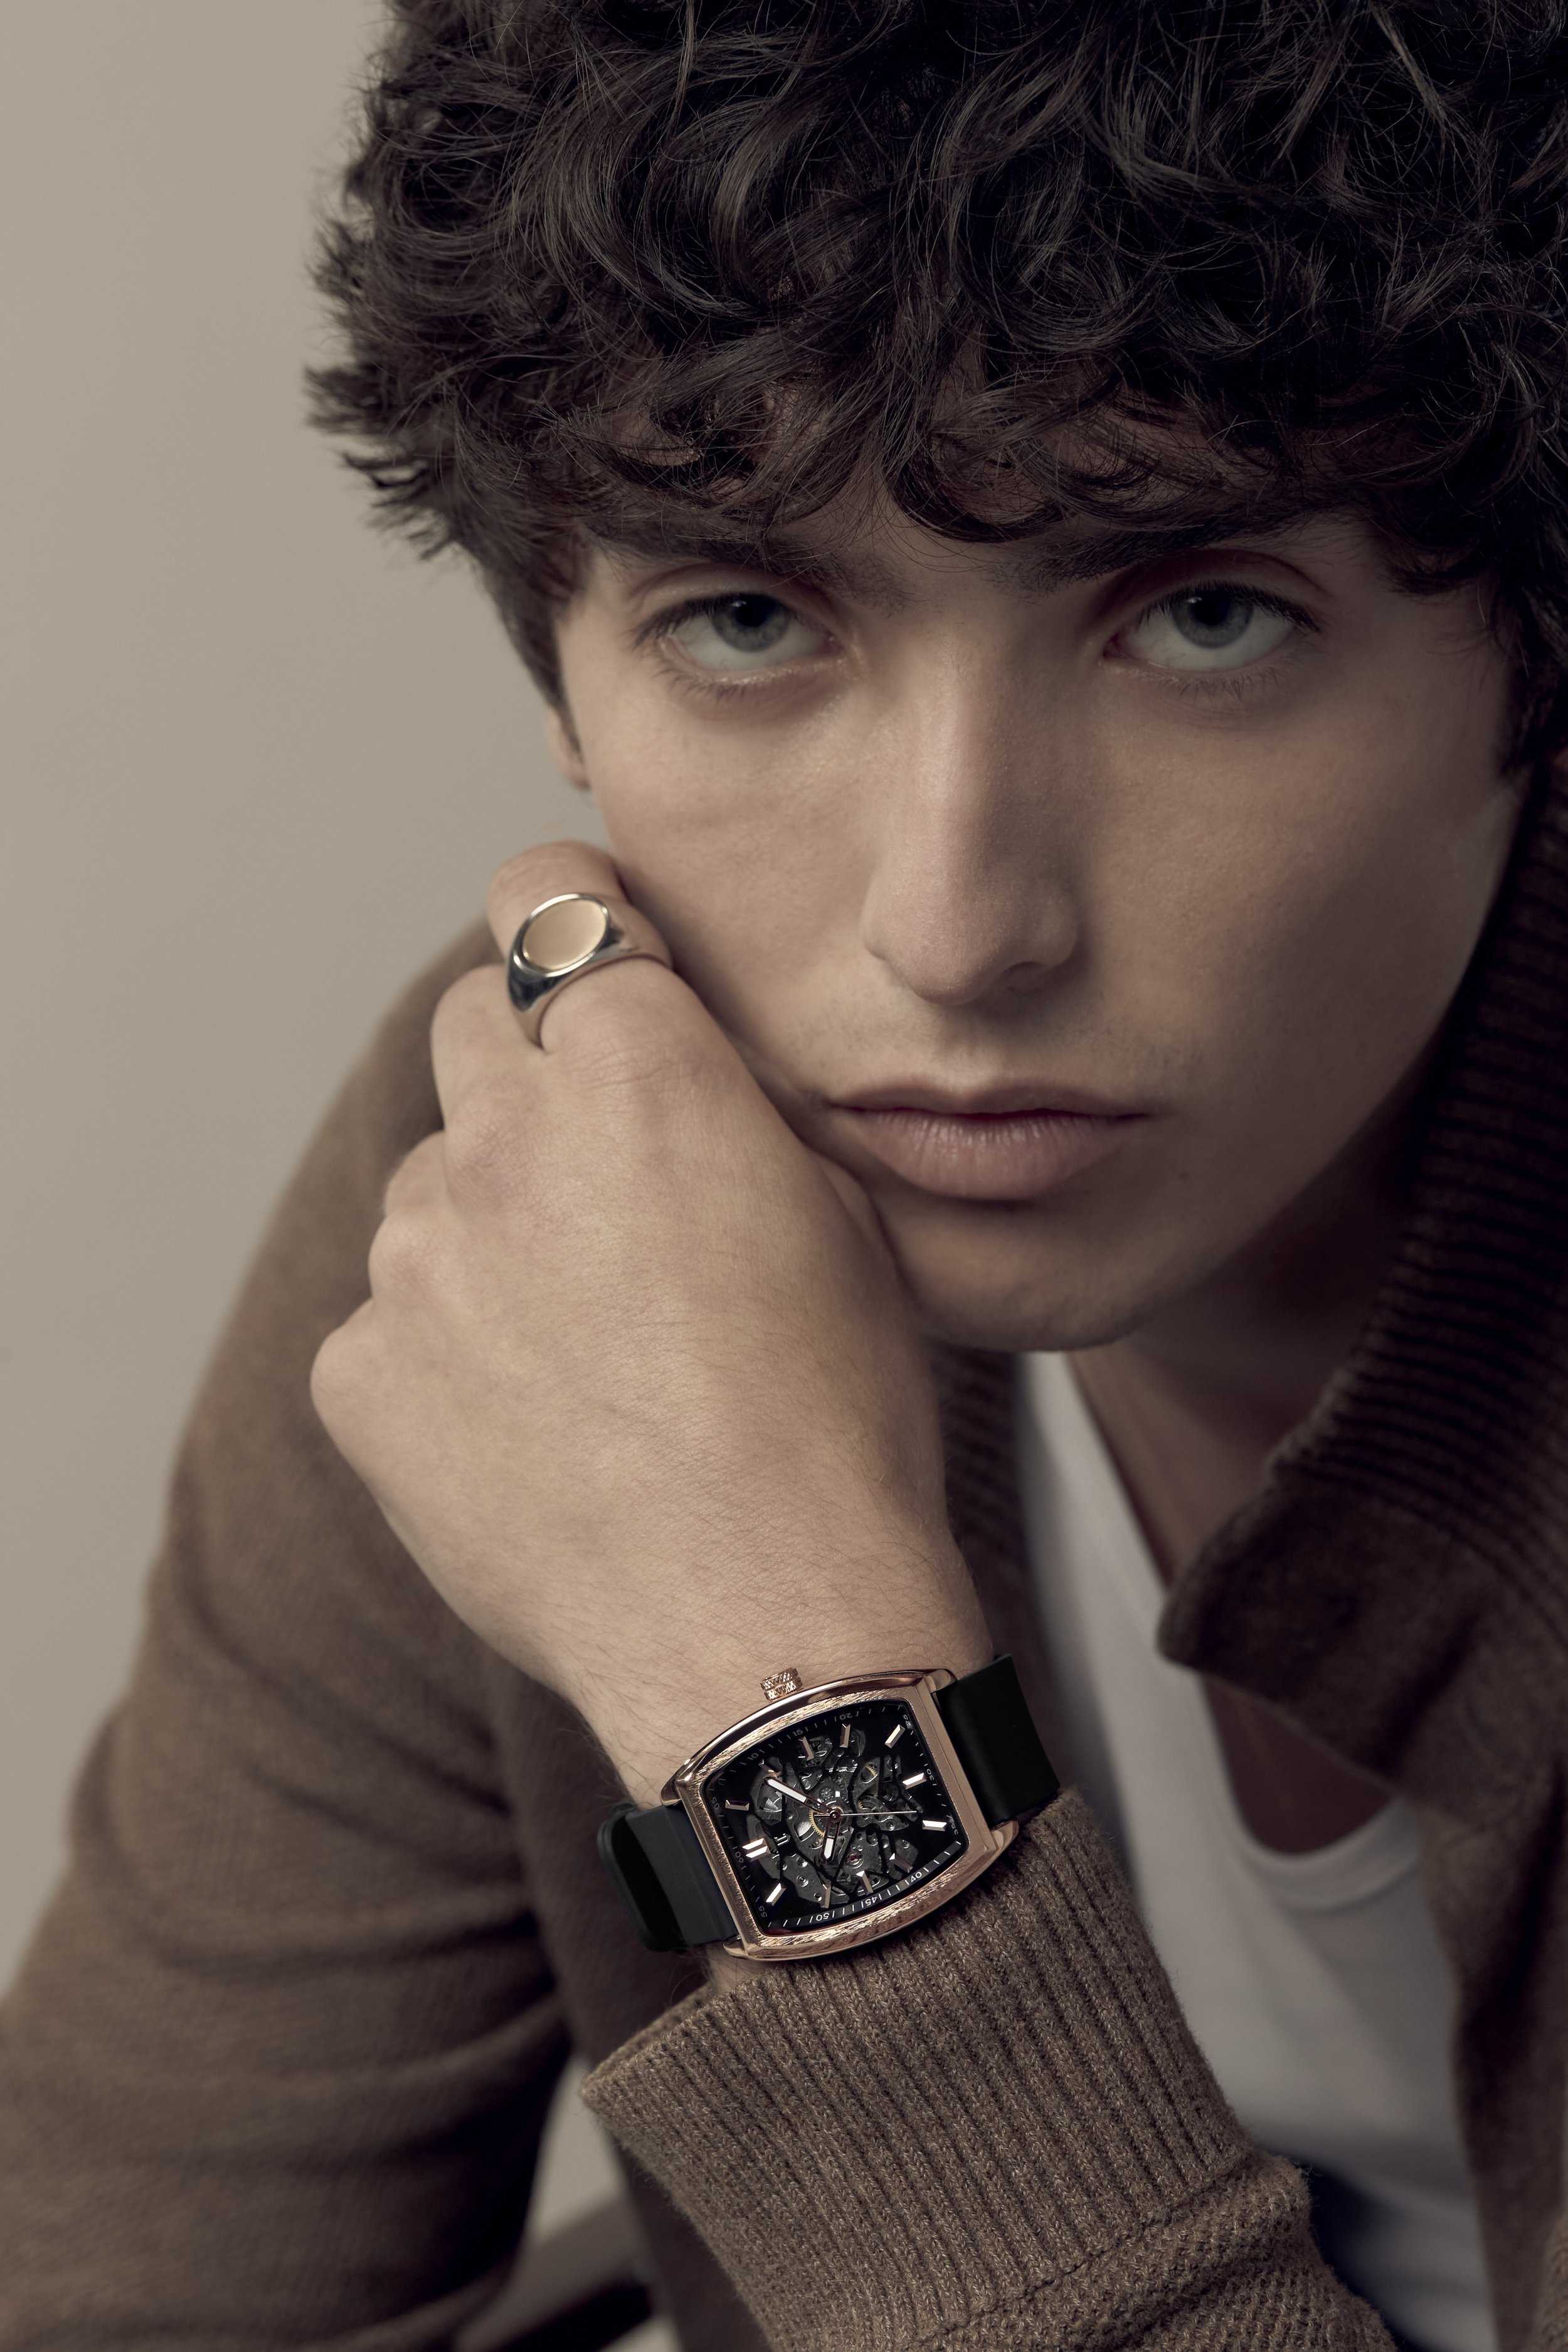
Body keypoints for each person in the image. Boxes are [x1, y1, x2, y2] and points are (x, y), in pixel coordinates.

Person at [4, 1, 1568, 2346]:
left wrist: (783, 1682)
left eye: (1203, 616)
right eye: (748, 618)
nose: (953, 926)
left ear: (1532, 663)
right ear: (559, 661)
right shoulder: (544, 1187)